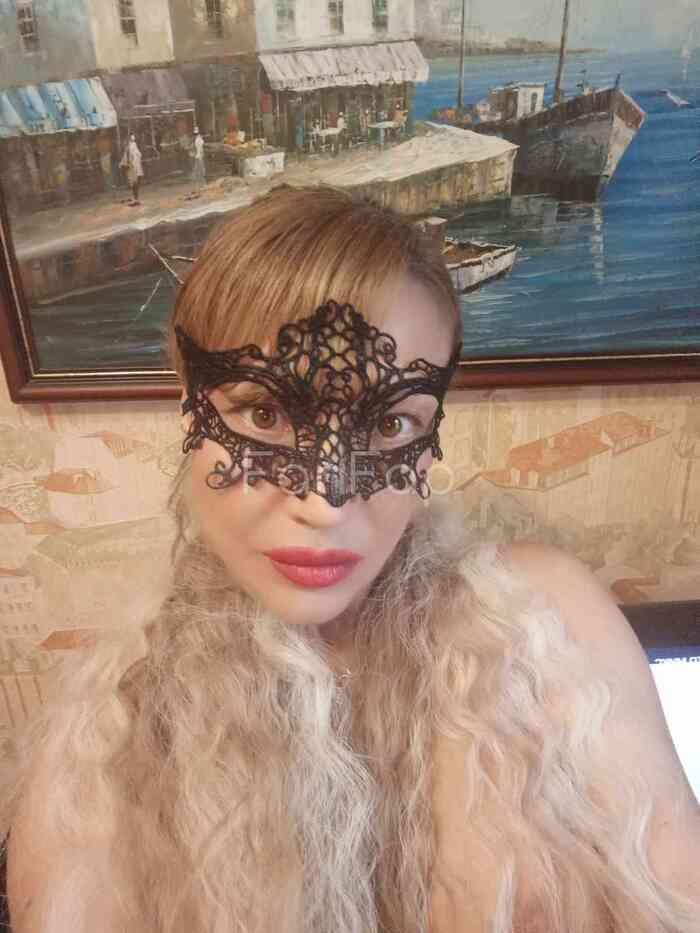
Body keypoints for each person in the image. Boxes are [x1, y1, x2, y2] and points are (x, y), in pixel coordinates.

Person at [1, 186, 699, 933]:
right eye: (266, 413)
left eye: (390, 422)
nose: (327, 502)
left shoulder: (545, 620)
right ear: (188, 404)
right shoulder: (100, 768)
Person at [119, 133, 144, 206]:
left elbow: (135, 156)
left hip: (133, 168)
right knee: (134, 184)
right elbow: (126, 157)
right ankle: (136, 199)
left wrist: (128, 164)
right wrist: (122, 164)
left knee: (134, 184)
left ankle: (136, 200)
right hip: (133, 168)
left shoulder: (131, 146)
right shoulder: (129, 147)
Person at [188, 126, 206, 200]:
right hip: (198, 157)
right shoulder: (198, 139)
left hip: (198, 157)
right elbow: (199, 149)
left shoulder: (198, 139)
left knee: (199, 171)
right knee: (199, 171)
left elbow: (199, 149)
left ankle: (199, 187)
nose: (195, 135)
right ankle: (199, 187)